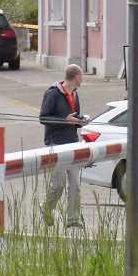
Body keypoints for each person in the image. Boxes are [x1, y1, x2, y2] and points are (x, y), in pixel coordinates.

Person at [40, 64, 89, 229]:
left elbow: (73, 118)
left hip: (72, 143)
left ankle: (73, 219)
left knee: (75, 184)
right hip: (55, 144)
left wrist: (80, 122)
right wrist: (65, 120)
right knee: (59, 184)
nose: (82, 79)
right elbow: (43, 118)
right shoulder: (53, 94)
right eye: (82, 76)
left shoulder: (74, 94)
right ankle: (46, 208)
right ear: (77, 77)